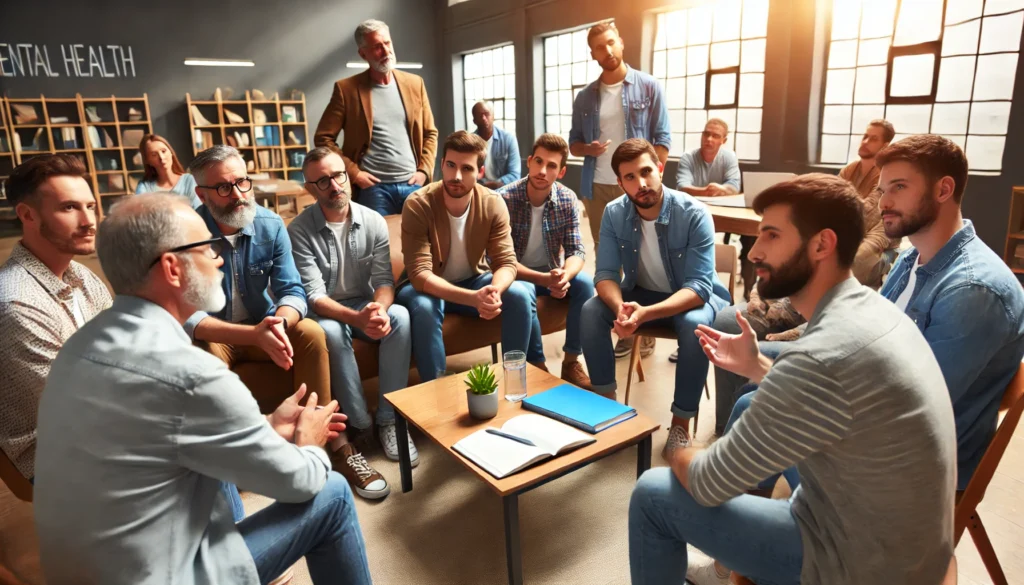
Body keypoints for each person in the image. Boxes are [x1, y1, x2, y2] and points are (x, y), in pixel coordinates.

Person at [629, 173, 956, 585]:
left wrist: (679, 446)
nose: (754, 253)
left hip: (863, 565)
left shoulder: (818, 357)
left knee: (651, 494)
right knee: (750, 405)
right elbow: (835, 399)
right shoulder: (872, 308)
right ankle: (730, 564)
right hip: (913, 544)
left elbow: (707, 482)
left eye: (771, 236)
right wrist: (756, 368)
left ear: (821, 244)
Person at [33, 193, 372, 585]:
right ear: (172, 268)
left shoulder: (80, 344)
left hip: (79, 571)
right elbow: (300, 483)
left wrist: (264, 424)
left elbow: (166, 432)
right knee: (329, 490)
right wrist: (309, 441)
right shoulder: (192, 375)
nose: (218, 259)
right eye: (207, 247)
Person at [186, 146, 385, 499]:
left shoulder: (270, 224)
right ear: (201, 193)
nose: (238, 195)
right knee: (202, 359)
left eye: (242, 182)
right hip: (215, 333)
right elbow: (187, 315)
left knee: (310, 331)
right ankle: (237, 464)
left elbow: (292, 290)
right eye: (223, 188)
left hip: (265, 324)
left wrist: (280, 322)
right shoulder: (186, 233)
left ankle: (332, 447)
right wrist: (253, 334)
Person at [580, 139, 729, 457]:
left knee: (695, 325)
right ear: (620, 183)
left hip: (693, 296)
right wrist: (621, 309)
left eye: (646, 171)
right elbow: (604, 274)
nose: (641, 183)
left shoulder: (694, 213)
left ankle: (680, 427)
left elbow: (700, 287)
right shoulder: (613, 213)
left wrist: (644, 313)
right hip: (640, 294)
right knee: (592, 311)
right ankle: (608, 413)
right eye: (630, 177)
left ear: (661, 168)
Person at [290, 146, 417, 478]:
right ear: (309, 188)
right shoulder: (299, 231)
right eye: (323, 181)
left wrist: (379, 309)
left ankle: (390, 419)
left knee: (400, 317)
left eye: (338, 176)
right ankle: (361, 423)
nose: (334, 186)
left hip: (363, 303)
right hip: (325, 311)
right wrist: (358, 319)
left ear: (347, 176)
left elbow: (385, 281)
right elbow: (315, 296)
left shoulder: (373, 220)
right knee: (330, 331)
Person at [0, 154, 112, 482]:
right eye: (69, 208)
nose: (90, 220)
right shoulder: (15, 303)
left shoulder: (81, 275)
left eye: (90, 206)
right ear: (27, 215)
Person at [569, 21, 671, 360]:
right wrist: (590, 148)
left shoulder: (648, 86)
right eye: (600, 47)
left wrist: (652, 179)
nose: (608, 51)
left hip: (636, 186)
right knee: (607, 259)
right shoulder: (585, 96)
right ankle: (621, 322)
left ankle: (643, 328)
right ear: (593, 53)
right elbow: (573, 144)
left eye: (611, 43)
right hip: (596, 184)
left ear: (621, 42)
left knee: (641, 254)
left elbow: (662, 139)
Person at [396, 130, 533, 381]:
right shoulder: (418, 203)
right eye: (450, 165)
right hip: (423, 288)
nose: (456, 176)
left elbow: (505, 262)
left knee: (519, 295)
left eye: (467, 169)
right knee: (427, 308)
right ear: (442, 165)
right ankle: (436, 394)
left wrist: (493, 291)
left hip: (474, 280)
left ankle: (514, 383)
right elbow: (419, 274)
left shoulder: (493, 202)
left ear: (480, 172)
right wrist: (473, 299)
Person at [498, 133, 594, 389]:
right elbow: (499, 258)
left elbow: (576, 250)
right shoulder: (503, 199)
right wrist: (541, 277)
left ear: (561, 172)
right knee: (525, 289)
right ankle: (538, 364)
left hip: (551, 272)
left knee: (585, 285)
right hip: (513, 273)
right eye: (538, 162)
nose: (542, 170)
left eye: (551, 165)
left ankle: (571, 361)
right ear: (528, 162)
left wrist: (565, 275)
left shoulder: (567, 199)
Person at [314, 19, 438, 216]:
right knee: (378, 245)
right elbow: (323, 139)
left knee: (420, 244)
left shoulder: (415, 84)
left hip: (413, 185)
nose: (386, 51)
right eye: (377, 47)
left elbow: (430, 132)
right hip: (374, 190)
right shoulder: (347, 90)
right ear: (363, 53)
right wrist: (354, 174)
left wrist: (424, 171)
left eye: (387, 43)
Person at [841, 119, 900, 288]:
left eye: (873, 139)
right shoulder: (849, 170)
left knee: (853, 260)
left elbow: (869, 214)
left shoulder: (886, 173)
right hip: (850, 227)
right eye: (865, 136)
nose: (865, 142)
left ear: (885, 145)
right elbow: (831, 202)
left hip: (881, 227)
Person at [134, 133, 200, 208]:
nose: (161, 157)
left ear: (171, 152)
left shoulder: (188, 180)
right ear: (147, 161)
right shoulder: (145, 187)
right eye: (154, 155)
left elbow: (199, 211)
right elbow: (140, 214)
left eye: (163, 151)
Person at [473, 101, 521, 189]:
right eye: (480, 115)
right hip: (478, 190)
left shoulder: (508, 139)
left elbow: (515, 175)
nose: (484, 118)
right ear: (474, 120)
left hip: (504, 190)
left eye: (487, 114)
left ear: (493, 117)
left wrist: (491, 185)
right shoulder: (471, 142)